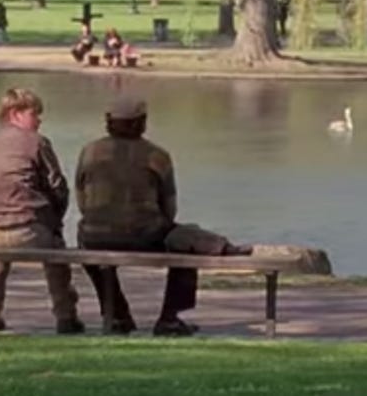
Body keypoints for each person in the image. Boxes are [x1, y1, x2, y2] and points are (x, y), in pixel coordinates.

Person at [75, 94, 251, 336]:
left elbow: (82, 199)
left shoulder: (89, 152)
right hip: (143, 235)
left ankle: (116, 315)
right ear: (141, 122)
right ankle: (170, 317)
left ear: (108, 121)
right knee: (185, 242)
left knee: (88, 243)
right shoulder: (156, 155)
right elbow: (169, 207)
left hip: (95, 235)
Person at [0, 88, 84, 334]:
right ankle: (66, 317)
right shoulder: (37, 142)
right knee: (54, 252)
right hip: (28, 228)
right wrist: (56, 221)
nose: (40, 119)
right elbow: (58, 187)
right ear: (15, 113)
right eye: (35, 113)